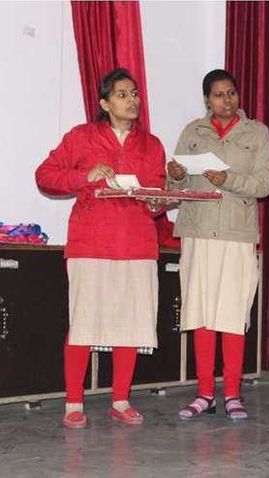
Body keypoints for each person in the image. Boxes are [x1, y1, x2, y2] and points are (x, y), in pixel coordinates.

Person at [35, 68, 167, 429]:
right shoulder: (81, 137)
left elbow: (156, 191)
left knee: (131, 322)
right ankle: (73, 403)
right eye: (123, 95)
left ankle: (120, 400)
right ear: (105, 103)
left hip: (138, 244)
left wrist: (158, 202)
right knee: (84, 323)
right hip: (91, 242)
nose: (132, 100)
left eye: (135, 93)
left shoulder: (152, 144)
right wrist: (84, 176)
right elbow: (44, 176)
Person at [166, 69, 269, 420]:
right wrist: (177, 175)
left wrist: (229, 179)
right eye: (218, 95)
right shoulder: (192, 132)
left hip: (236, 233)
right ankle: (203, 394)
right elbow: (176, 184)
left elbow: (265, 183)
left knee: (231, 313)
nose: (226, 100)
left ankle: (232, 393)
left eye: (231, 93)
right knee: (199, 311)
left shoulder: (256, 132)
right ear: (207, 100)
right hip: (198, 232)